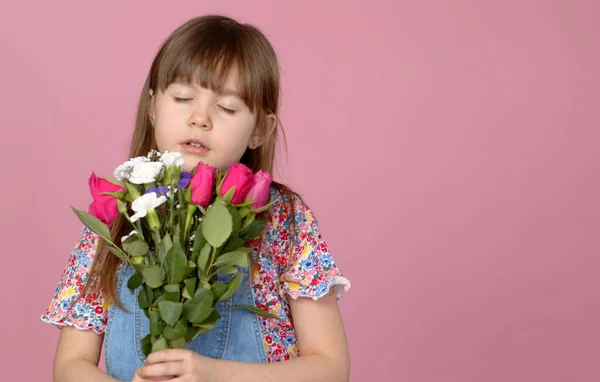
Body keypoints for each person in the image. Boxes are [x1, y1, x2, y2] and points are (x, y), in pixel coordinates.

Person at [41, 14, 351, 382]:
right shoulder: (118, 216)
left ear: (260, 130)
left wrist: (216, 374)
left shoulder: (283, 219)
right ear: (153, 107)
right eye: (183, 98)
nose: (200, 119)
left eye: (227, 108)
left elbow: (330, 367)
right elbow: (70, 365)